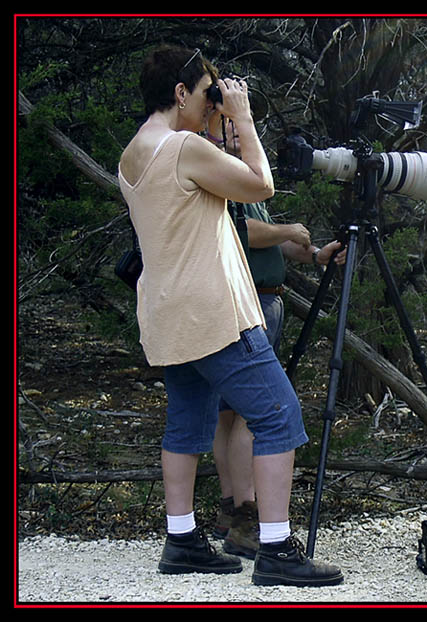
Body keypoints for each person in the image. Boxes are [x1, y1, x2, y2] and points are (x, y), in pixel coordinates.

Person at [117, 44, 342, 587]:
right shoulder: (183, 149)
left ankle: (182, 539)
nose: (209, 103)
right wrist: (240, 117)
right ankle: (275, 549)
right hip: (214, 313)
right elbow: (260, 185)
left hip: (168, 312)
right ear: (179, 93)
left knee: (188, 423)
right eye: (204, 93)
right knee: (279, 417)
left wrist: (218, 122)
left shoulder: (134, 153)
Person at [204, 110, 346, 559]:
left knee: (228, 414)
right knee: (252, 413)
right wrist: (288, 229)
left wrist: (314, 255)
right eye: (224, 122)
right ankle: (248, 514)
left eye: (236, 123)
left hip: (255, 297)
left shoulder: (235, 175)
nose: (234, 131)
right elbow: (244, 234)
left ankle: (233, 509)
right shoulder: (218, 172)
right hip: (248, 303)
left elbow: (263, 239)